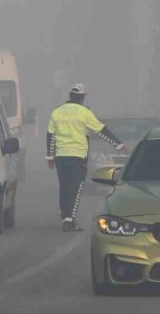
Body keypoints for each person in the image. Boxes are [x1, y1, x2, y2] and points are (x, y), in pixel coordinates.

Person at [47, 83, 127, 232]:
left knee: (64, 187)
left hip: (61, 156)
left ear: (70, 96)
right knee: (76, 188)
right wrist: (118, 145)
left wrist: (50, 156)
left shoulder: (56, 112)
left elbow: (51, 135)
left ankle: (66, 215)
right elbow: (100, 130)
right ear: (82, 98)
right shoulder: (84, 112)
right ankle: (69, 221)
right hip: (77, 156)